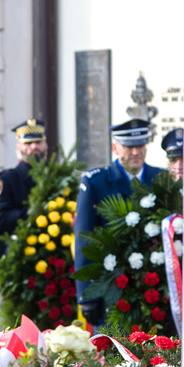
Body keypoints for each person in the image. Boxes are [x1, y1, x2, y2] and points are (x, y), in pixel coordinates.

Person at [74, 118, 165, 326]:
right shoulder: (96, 182)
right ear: (115, 148)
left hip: (155, 291)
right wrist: (86, 296)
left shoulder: (160, 178)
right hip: (112, 292)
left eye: (141, 145)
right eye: (129, 147)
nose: (136, 152)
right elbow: (84, 242)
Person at [0, 118, 48, 264]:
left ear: (45, 144)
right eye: (28, 143)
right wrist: (39, 211)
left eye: (38, 141)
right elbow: (0, 222)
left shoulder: (59, 177)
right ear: (18, 148)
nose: (34, 146)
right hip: (18, 264)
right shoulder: (5, 180)